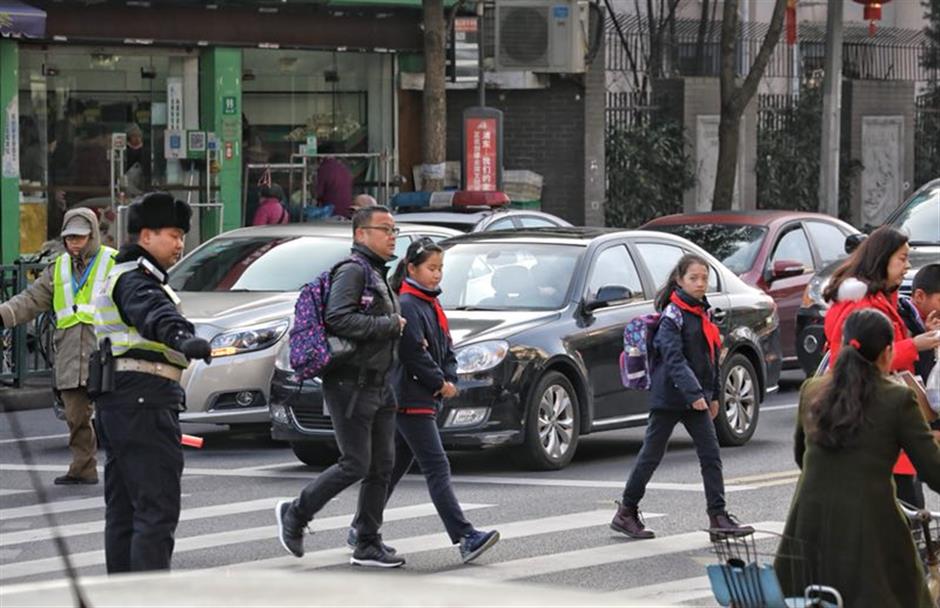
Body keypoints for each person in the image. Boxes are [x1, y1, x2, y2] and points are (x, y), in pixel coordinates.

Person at [345, 238, 500, 563]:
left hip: (419, 396)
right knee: (436, 466)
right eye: (431, 268)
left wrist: (451, 376)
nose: (437, 274)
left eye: (440, 268)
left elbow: (446, 345)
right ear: (412, 268)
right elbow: (412, 353)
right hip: (410, 397)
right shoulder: (409, 304)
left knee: (394, 467)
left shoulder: (429, 301)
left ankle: (362, 527)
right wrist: (440, 382)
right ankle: (465, 536)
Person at [775, 309, 940, 608]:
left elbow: (802, 456)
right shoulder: (896, 398)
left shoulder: (812, 390)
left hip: (807, 528)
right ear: (887, 352)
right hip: (870, 531)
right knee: (907, 594)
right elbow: (934, 470)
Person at [276, 205, 406, 568]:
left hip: (379, 385)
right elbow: (338, 318)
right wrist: (389, 325)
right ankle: (296, 513)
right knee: (355, 463)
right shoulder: (353, 271)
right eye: (385, 229)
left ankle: (367, 541)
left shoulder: (376, 272)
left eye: (394, 229)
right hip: (351, 385)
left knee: (382, 465)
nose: (392, 235)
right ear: (361, 234)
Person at [92, 192, 212, 573]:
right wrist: (183, 338)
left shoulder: (126, 275)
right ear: (146, 236)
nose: (180, 244)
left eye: (182, 236)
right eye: (173, 235)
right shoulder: (136, 281)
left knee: (125, 510)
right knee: (156, 509)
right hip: (143, 400)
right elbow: (154, 314)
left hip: (120, 402)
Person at [611, 254, 752, 539]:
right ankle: (626, 512)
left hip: (696, 397)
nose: (700, 284)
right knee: (651, 456)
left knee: (711, 455)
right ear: (680, 280)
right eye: (694, 278)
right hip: (670, 398)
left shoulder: (702, 313)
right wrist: (693, 393)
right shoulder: (673, 315)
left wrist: (712, 396)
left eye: (704, 278)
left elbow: (710, 359)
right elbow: (673, 359)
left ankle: (718, 517)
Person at [822, 226, 940, 508]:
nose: (907, 266)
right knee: (903, 514)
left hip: (884, 419)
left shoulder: (883, 299)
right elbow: (859, 358)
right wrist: (916, 345)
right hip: (871, 420)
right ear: (882, 258)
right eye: (902, 258)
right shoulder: (859, 304)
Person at [0, 209, 116, 485]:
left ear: (92, 236)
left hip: (105, 352)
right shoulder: (58, 268)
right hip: (68, 353)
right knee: (76, 416)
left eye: (80, 237)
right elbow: (30, 300)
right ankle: (83, 467)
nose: (74, 243)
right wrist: (3, 315)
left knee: (115, 416)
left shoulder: (113, 262)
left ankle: (124, 468)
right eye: (69, 237)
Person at [896, 262, 940, 507]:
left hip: (916, 414)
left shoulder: (914, 319)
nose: (906, 265)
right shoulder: (903, 318)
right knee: (909, 498)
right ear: (920, 296)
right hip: (903, 419)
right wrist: (921, 342)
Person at [316, 143, 353, 219]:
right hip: (346, 212)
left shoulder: (323, 169)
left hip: (330, 213)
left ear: (320, 156)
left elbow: (318, 193)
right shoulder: (343, 168)